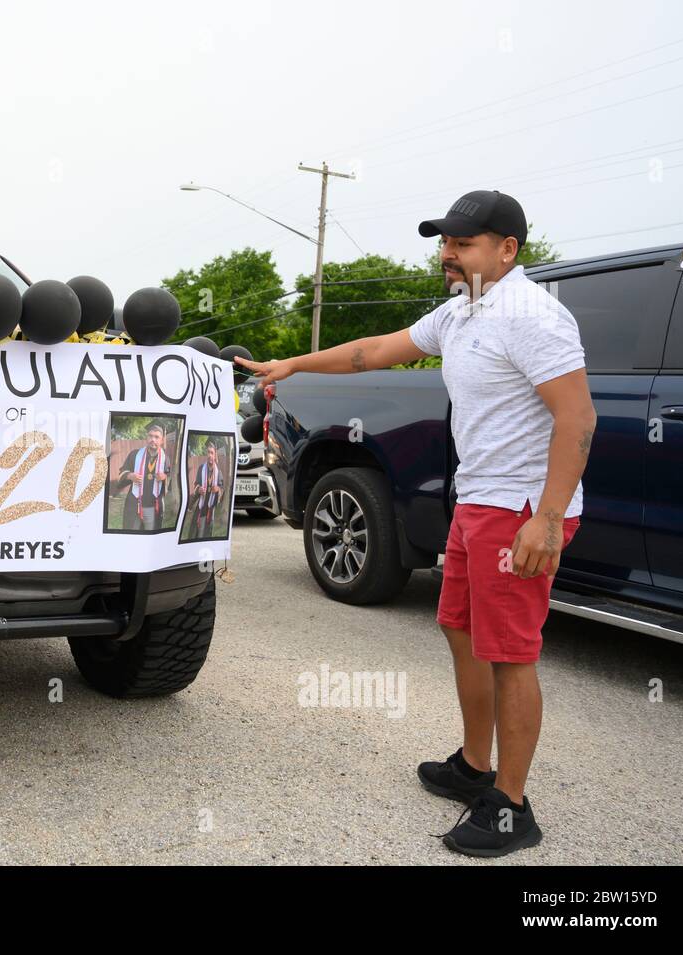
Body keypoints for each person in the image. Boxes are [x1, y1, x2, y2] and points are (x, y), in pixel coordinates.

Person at [237, 190, 595, 858]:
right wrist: (293, 363)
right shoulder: (463, 313)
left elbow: (578, 418)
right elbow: (374, 350)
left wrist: (546, 520)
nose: (447, 255)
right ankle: (472, 763)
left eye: (462, 244)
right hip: (478, 502)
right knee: (460, 628)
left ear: (507, 249)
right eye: (444, 243)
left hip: (519, 509)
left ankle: (513, 806)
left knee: (511, 654)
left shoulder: (531, 315)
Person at [114, 421, 172, 532]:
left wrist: (165, 477)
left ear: (162, 440)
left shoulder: (165, 459)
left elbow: (169, 479)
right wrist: (130, 476)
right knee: (132, 536)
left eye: (156, 437)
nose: (153, 440)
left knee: (149, 537)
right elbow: (121, 474)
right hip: (134, 505)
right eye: (150, 436)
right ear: (146, 437)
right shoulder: (135, 455)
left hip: (153, 507)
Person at [189, 440, 226, 538]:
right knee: (197, 532)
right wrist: (199, 489)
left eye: (212, 453)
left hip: (210, 508)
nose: (209, 455)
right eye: (208, 452)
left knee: (207, 532)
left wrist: (218, 489)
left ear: (215, 455)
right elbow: (196, 484)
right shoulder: (201, 469)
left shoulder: (219, 473)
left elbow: (222, 489)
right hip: (201, 506)